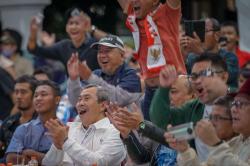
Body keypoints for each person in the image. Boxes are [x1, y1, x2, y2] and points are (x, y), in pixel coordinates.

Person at [150, 53, 230, 162]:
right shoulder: (194, 107)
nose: (197, 81)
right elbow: (161, 120)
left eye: (205, 74)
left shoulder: (240, 107)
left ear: (224, 77)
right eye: (194, 76)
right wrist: (164, 88)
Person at [42, 85, 126, 166]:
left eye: (86, 98)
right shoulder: (68, 129)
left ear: (103, 106)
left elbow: (97, 163)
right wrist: (57, 147)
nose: (80, 103)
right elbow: (46, 163)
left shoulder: (115, 132)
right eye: (79, 99)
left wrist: (65, 141)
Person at [67, 35, 141, 106]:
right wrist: (73, 80)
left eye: (107, 51)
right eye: (100, 52)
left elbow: (119, 99)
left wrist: (90, 78)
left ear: (122, 55)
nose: (102, 55)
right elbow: (75, 101)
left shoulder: (132, 75)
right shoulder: (96, 74)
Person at [165, 95, 237, 166]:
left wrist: (215, 144)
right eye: (210, 117)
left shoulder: (244, 147)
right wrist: (185, 151)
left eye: (217, 118)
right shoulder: (217, 149)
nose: (211, 123)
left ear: (234, 120)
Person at [28, 7, 106, 71]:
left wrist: (91, 29)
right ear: (66, 27)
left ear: (85, 25)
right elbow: (34, 49)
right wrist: (33, 33)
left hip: (95, 88)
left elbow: (115, 42)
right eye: (70, 23)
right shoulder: (63, 46)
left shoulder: (95, 44)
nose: (73, 27)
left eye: (77, 23)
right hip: (73, 88)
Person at [5, 80, 61, 165]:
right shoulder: (23, 129)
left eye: (44, 94)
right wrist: (46, 159)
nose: (38, 98)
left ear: (57, 99)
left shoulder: (65, 130)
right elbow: (11, 159)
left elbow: (62, 162)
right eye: (36, 95)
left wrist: (32, 154)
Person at [183, 18, 239, 88]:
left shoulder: (230, 57)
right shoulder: (192, 57)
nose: (200, 36)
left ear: (217, 35)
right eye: (198, 32)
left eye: (204, 31)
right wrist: (184, 55)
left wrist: (201, 53)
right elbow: (184, 80)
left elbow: (222, 77)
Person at [0, 75, 37, 160]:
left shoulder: (42, 122)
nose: (18, 96)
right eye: (16, 92)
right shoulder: (9, 121)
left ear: (35, 95)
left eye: (23, 92)